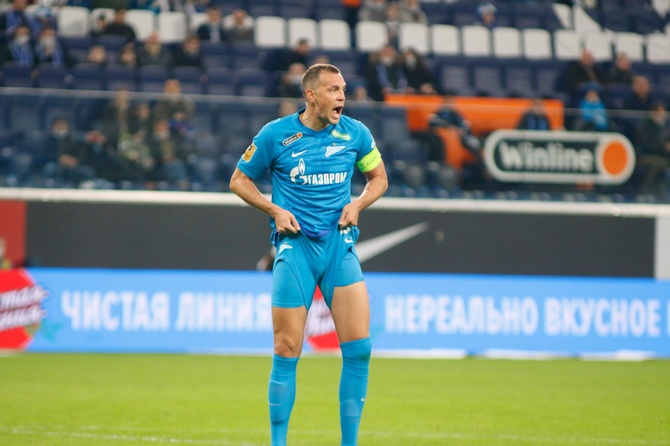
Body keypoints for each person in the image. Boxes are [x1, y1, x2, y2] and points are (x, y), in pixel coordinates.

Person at [229, 63, 388, 446]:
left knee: (359, 349)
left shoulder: (355, 133)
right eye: (334, 90)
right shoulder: (275, 134)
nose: (342, 97)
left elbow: (379, 178)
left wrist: (358, 204)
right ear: (311, 95)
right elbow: (239, 180)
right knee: (286, 348)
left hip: (338, 248)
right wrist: (274, 210)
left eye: (343, 89)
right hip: (296, 248)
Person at [634, 102, 670, 194]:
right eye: (660, 112)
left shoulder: (665, 128)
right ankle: (646, 188)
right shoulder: (645, 127)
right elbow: (647, 145)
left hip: (662, 155)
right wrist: (664, 147)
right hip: (645, 155)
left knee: (662, 161)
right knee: (659, 163)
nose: (662, 115)